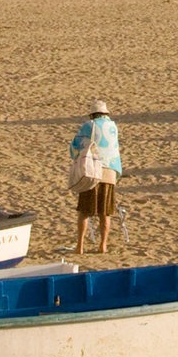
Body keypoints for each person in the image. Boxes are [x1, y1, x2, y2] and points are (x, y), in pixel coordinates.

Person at [69, 100, 122, 255]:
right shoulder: (113, 127)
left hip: (93, 170)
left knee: (84, 211)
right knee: (105, 212)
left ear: (92, 114)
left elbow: (75, 146)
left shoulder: (88, 125)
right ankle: (103, 245)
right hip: (110, 171)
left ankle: (80, 246)